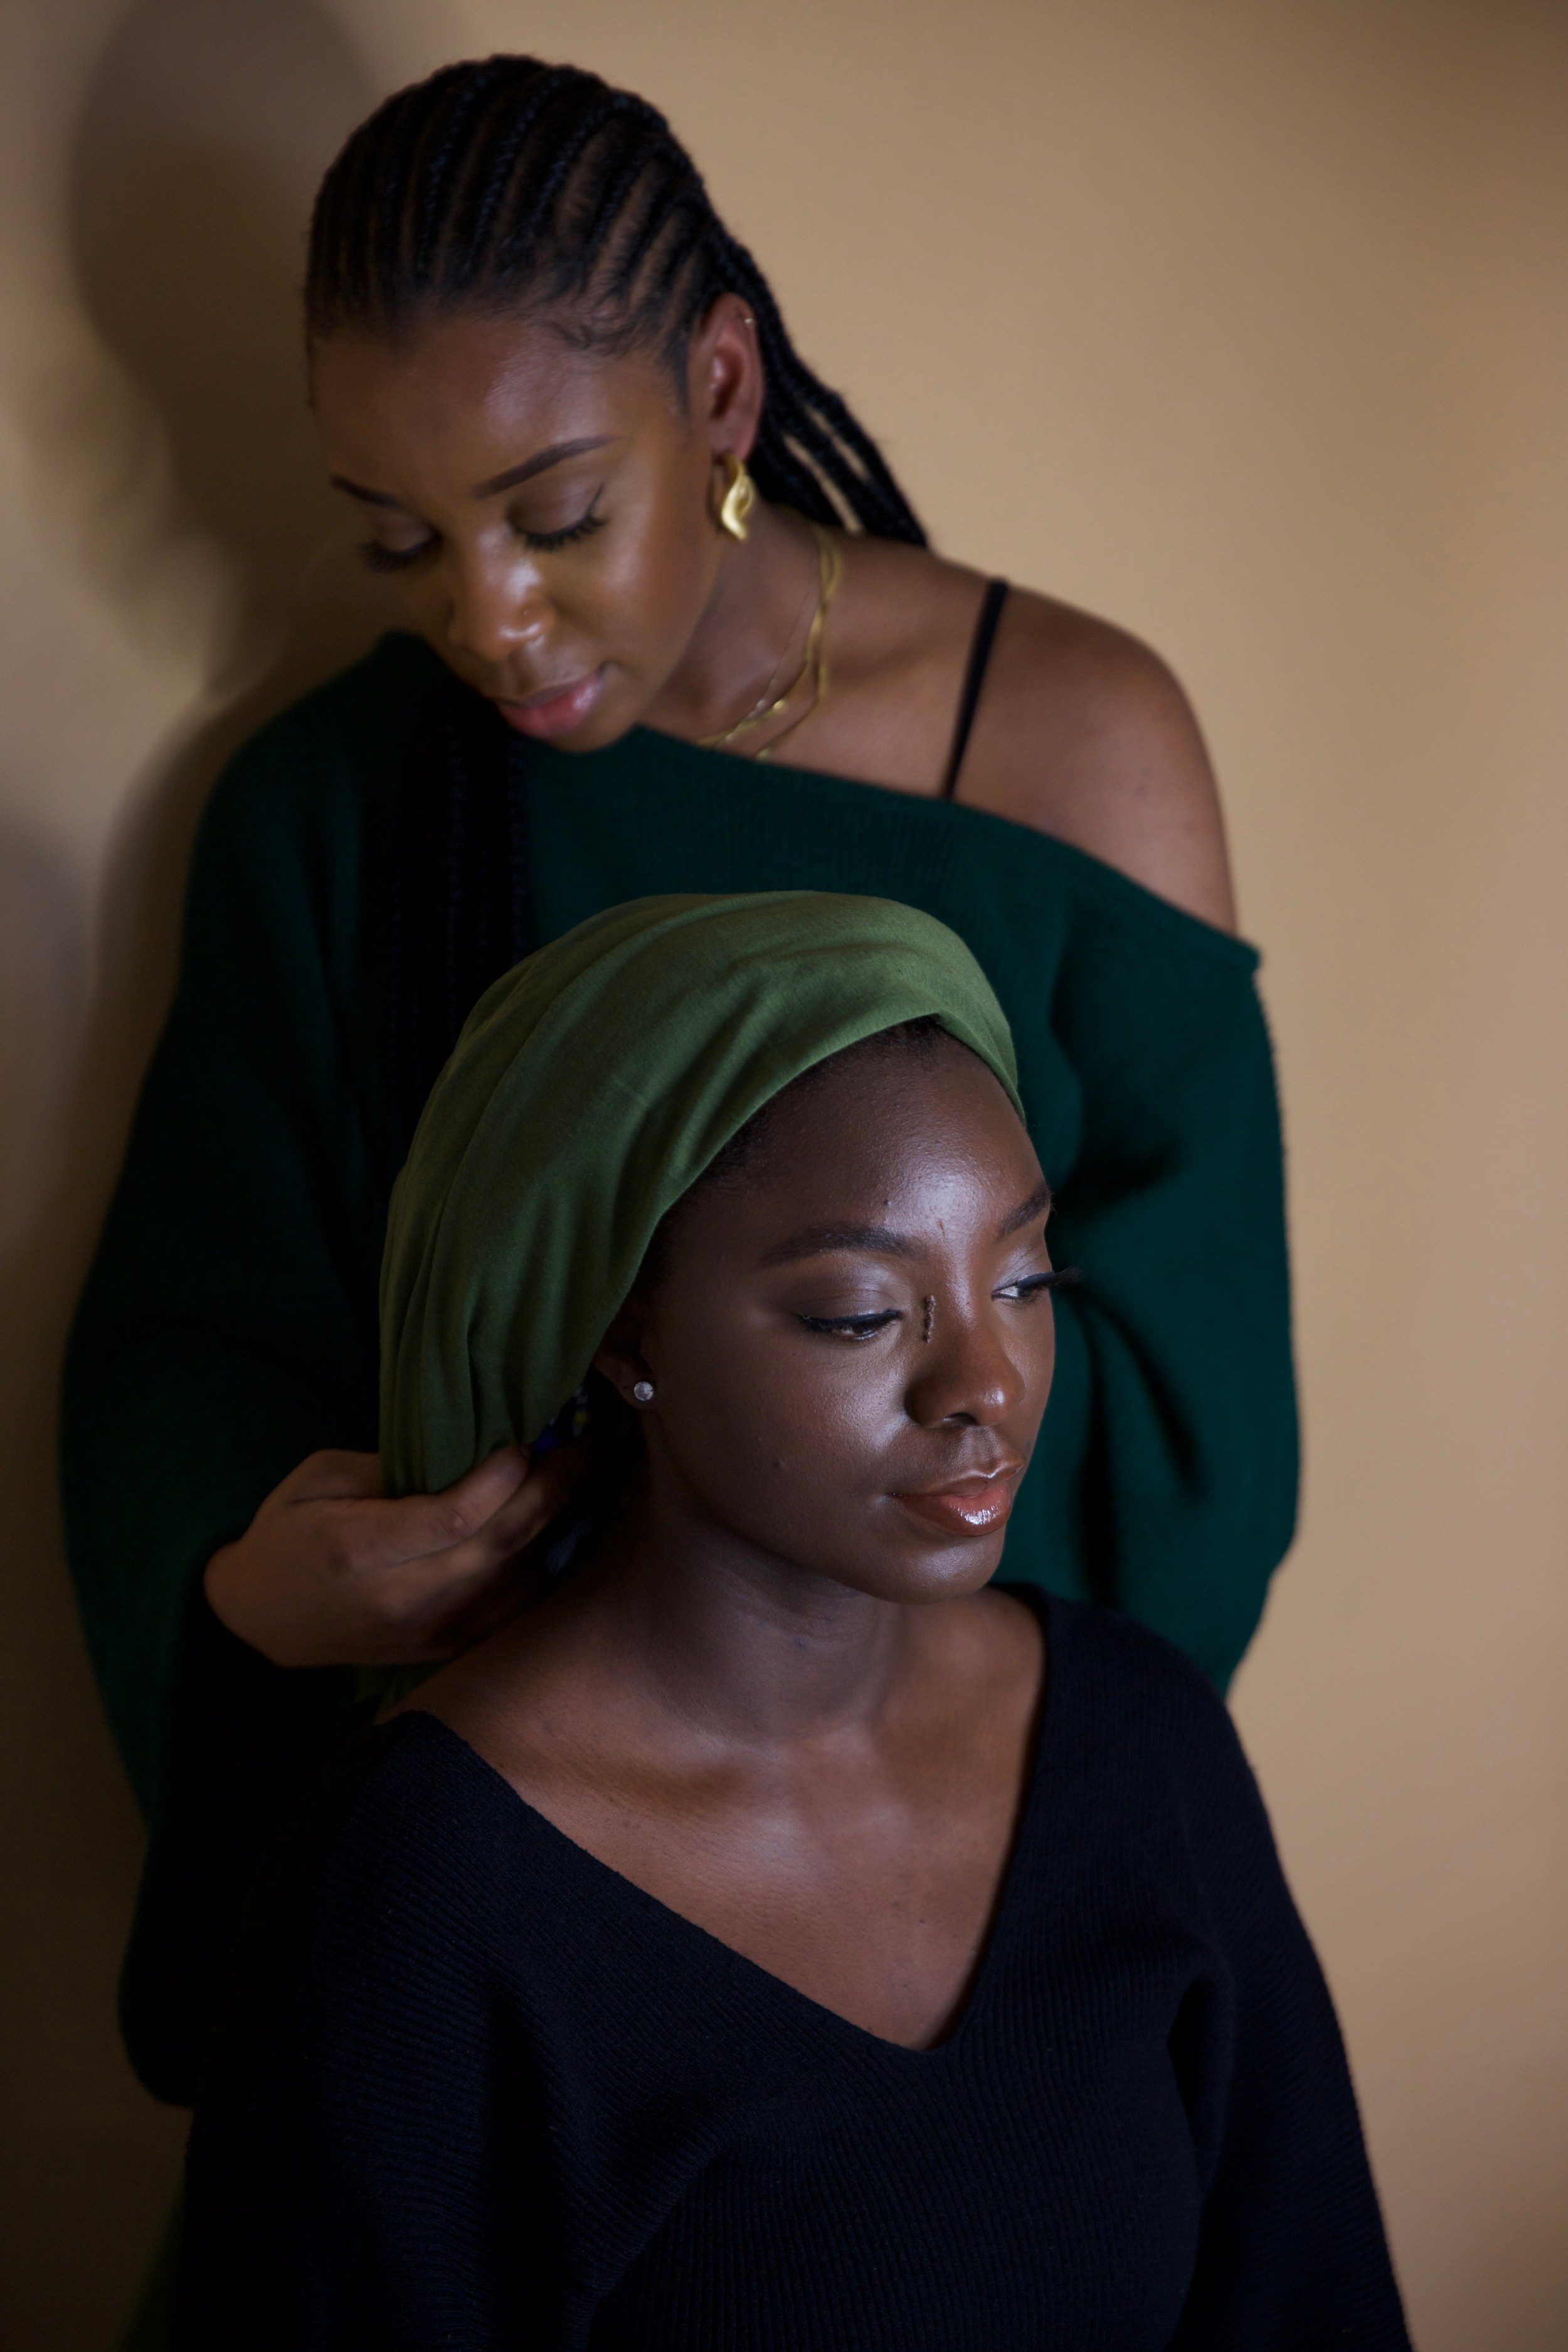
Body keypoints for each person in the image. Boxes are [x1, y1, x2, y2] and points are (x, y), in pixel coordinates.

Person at [62, 55, 1295, 2115]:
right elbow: (194, 1348)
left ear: (720, 394)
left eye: (556, 515)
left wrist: (823, 1722)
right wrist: (272, 1571)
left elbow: (1193, 1445)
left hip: (944, 1915)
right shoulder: (335, 813)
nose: (488, 618)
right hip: (505, 1926)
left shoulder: (1080, 752)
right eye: (397, 542)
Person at [175, 894, 1402, 2351]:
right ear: (625, 1329)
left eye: (1021, 1280)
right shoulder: (429, 1890)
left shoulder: (1139, 1743)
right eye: (860, 1314)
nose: (987, 1387)